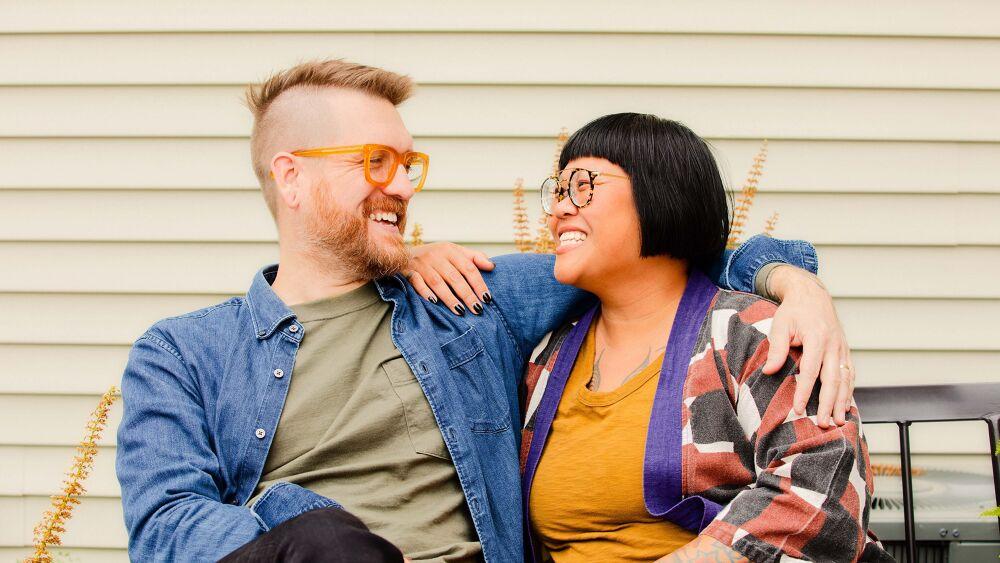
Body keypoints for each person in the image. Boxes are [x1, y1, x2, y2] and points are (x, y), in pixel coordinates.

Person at [115, 58, 854, 562]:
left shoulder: (470, 299)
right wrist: (306, 539)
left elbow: (664, 253)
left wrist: (791, 279)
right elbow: (164, 523)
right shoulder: (184, 352)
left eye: (409, 165)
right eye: (376, 162)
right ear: (292, 177)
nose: (403, 186)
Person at [511, 113, 891, 561]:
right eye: (556, 191)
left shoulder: (751, 334)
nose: (558, 209)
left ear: (661, 194)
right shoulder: (546, 356)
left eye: (581, 186)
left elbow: (824, 487)